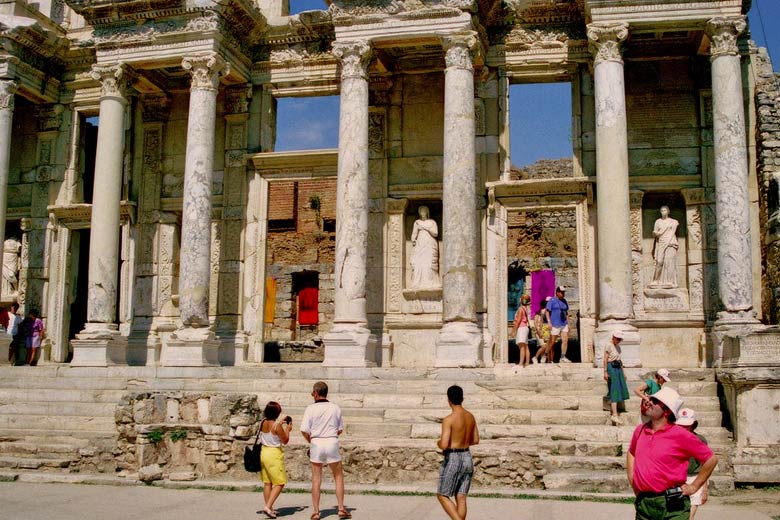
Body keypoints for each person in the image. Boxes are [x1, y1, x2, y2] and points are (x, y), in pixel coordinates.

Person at [627, 387, 717, 520]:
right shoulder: (640, 430)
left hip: (672, 504)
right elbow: (631, 452)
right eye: (651, 399)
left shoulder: (681, 435)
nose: (649, 402)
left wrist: (694, 487)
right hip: (644, 503)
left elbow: (711, 459)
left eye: (656, 401)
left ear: (667, 411)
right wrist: (633, 480)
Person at [300, 381, 349, 520]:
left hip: (316, 441)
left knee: (316, 478)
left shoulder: (310, 409)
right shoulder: (335, 407)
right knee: (338, 476)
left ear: (315, 393)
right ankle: (340, 508)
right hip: (331, 440)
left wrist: (311, 440)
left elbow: (304, 430)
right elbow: (339, 429)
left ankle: (316, 511)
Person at [436, 385, 479, 520]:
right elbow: (476, 439)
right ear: (462, 398)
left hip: (454, 458)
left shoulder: (449, 419)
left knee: (442, 495)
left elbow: (443, 444)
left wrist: (438, 442)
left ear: (448, 400)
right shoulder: (470, 416)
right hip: (467, 456)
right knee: (461, 497)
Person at [259, 401, 292, 519]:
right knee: (280, 482)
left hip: (264, 452)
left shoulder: (262, 422)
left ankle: (270, 507)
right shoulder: (277, 426)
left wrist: (280, 423)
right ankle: (268, 506)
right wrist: (288, 429)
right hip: (274, 454)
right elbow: (285, 440)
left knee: (267, 482)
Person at [677, 408, 709, 520]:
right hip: (677, 476)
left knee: (692, 506)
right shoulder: (672, 439)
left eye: (687, 425)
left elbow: (705, 464)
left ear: (693, 424)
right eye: (681, 425)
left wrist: (704, 487)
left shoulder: (700, 440)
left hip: (694, 476)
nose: (684, 428)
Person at [409, 205, 439, 289]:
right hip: (420, 244)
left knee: (429, 263)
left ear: (427, 212)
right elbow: (414, 234)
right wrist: (413, 239)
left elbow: (435, 233)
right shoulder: (417, 222)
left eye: (424, 211)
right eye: (421, 211)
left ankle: (431, 282)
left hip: (429, 243)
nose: (423, 213)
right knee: (419, 262)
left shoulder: (432, 222)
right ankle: (418, 282)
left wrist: (426, 227)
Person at [604, 331, 630, 425]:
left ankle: (613, 409)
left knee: (619, 388)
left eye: (620, 339)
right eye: (618, 339)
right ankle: (614, 414)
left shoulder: (618, 347)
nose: (619, 341)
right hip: (612, 367)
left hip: (618, 368)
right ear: (613, 337)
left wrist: (623, 373)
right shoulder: (609, 345)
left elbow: (620, 360)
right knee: (615, 389)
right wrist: (605, 371)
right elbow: (605, 359)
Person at [649, 206, 679, 288]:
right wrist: (655, 233)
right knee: (659, 261)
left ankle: (670, 281)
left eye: (664, 210)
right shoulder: (658, 222)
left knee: (669, 262)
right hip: (661, 243)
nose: (663, 212)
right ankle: (656, 280)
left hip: (670, 242)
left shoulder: (673, 222)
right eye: (661, 210)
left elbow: (673, 231)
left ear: (668, 211)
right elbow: (654, 233)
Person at [545, 286, 570, 363]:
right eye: (561, 292)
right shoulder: (552, 301)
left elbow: (566, 312)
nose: (563, 294)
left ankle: (562, 357)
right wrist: (549, 322)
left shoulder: (564, 301)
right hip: (555, 323)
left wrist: (568, 323)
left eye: (564, 292)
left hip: (563, 323)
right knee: (552, 341)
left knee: (565, 339)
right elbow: (547, 311)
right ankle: (545, 354)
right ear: (557, 292)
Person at [511, 295, 531, 367]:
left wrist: (513, 331)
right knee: (525, 346)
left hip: (521, 328)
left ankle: (521, 363)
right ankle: (527, 362)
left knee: (522, 346)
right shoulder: (525, 308)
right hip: (525, 327)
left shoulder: (520, 309)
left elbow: (518, 320)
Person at [532, 298, 552, 364]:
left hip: (542, 331)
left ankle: (542, 359)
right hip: (538, 332)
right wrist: (539, 332)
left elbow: (542, 324)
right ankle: (535, 357)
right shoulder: (537, 315)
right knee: (544, 346)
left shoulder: (543, 316)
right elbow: (535, 324)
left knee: (544, 345)